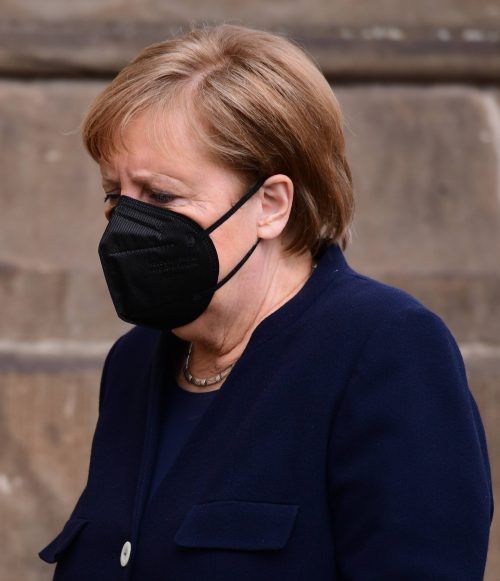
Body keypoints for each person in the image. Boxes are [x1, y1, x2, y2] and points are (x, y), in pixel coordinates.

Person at [38, 23, 493, 580]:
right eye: (116, 195)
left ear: (272, 205)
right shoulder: (134, 362)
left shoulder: (385, 351)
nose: (127, 224)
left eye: (162, 195)